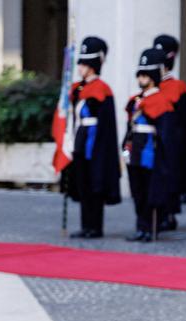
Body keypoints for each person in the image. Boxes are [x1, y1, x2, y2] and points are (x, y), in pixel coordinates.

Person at [66, 37, 121, 239]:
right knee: (83, 184)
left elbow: (104, 123)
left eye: (84, 64)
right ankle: (85, 225)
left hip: (95, 142)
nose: (80, 67)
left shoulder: (102, 89)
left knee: (94, 184)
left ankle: (95, 226)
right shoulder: (78, 89)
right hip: (80, 138)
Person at [123, 48, 178, 243]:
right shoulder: (136, 101)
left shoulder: (162, 102)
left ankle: (151, 228)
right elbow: (130, 127)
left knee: (150, 192)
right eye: (141, 74)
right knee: (137, 191)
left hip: (150, 152)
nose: (142, 78)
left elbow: (165, 135)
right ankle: (141, 227)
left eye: (146, 74)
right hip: (136, 150)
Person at [153, 34, 186, 231]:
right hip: (153, 139)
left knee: (169, 179)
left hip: (173, 142)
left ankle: (168, 215)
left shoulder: (178, 87)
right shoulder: (152, 86)